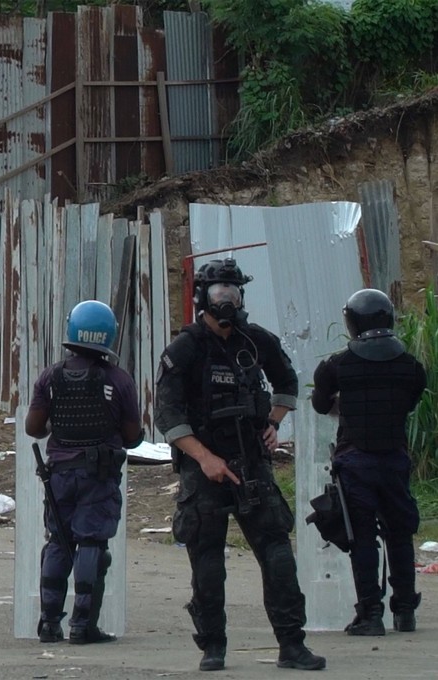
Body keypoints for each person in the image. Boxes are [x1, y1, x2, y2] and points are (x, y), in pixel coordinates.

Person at [153, 258, 325, 672]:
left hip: (252, 463)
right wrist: (205, 458)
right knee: (208, 562)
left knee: (279, 554)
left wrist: (273, 424)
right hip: (204, 470)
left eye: (233, 292)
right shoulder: (185, 348)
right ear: (202, 299)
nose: (226, 300)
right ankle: (213, 646)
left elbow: (288, 382)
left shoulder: (255, 340)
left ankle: (292, 644)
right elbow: (168, 417)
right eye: (218, 293)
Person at [25, 300, 143, 645]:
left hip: (58, 474)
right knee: (92, 544)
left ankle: (49, 624)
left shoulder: (50, 377)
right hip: (99, 476)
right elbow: (134, 436)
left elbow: (34, 428)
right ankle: (82, 626)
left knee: (59, 542)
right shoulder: (119, 379)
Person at [311, 289, 426, 636]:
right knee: (400, 534)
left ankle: (371, 615)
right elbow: (410, 401)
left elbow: (319, 404)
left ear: (352, 321)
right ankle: (405, 612)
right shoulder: (410, 366)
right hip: (394, 458)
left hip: (355, 461)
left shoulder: (336, 366)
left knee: (362, 538)